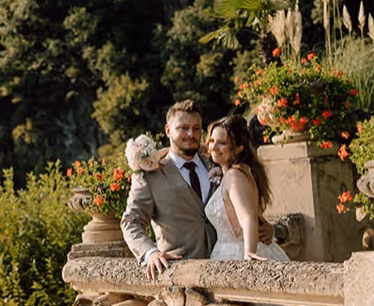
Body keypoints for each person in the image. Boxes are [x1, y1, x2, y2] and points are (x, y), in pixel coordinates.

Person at [121, 100, 218, 279]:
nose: (191, 134)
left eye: (196, 128)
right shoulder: (149, 176)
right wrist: (150, 253)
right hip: (179, 276)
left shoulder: (215, 163)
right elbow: (131, 221)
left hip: (224, 268)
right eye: (183, 128)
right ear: (168, 130)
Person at [205, 115, 289, 262]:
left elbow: (248, 217)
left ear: (238, 148)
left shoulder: (235, 176)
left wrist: (249, 253)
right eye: (212, 141)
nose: (213, 147)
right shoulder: (237, 172)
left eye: (222, 143)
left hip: (237, 254)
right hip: (224, 253)